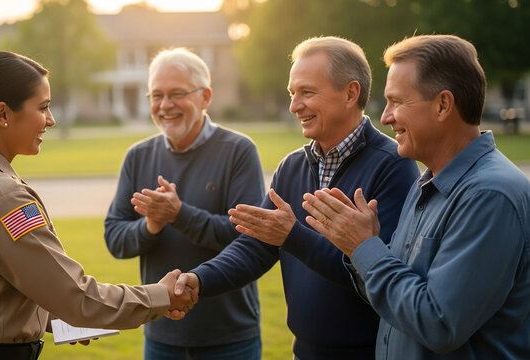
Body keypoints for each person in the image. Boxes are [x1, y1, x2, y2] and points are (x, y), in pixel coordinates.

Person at [0, 51, 194, 360]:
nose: (51, 120)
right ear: (2, 115)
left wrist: (54, 318)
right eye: (43, 108)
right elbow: (77, 297)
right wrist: (162, 296)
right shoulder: (5, 198)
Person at [173, 36, 419, 359]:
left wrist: (292, 235)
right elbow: (255, 248)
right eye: (292, 93)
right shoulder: (292, 167)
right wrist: (197, 280)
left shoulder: (393, 166)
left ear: (350, 93)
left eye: (306, 92)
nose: (294, 106)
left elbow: (379, 275)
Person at [302, 35, 530, 359]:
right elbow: (396, 299)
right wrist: (359, 251)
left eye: (397, 101)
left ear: (442, 105)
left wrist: (364, 248)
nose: (385, 117)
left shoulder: (489, 196)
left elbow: (438, 324)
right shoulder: (429, 180)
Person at [104, 47, 265, 359]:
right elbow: (115, 239)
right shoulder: (138, 156)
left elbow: (247, 238)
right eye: (156, 95)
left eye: (176, 93)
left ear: (205, 97)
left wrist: (179, 214)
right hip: (161, 336)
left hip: (230, 337)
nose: (165, 105)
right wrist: (151, 225)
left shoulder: (239, 151)